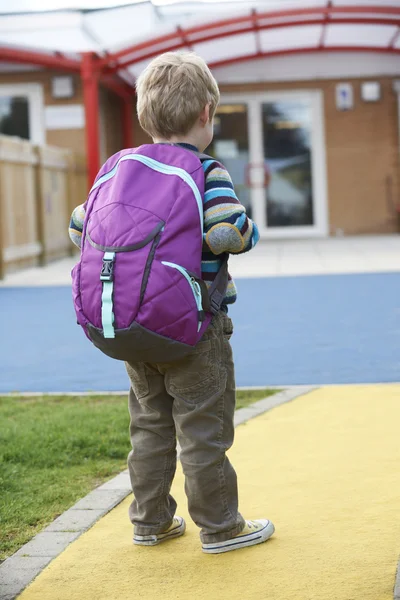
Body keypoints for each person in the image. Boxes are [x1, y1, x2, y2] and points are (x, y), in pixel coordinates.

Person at [69, 51, 274, 554]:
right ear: (207, 112)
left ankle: (151, 521)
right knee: (202, 431)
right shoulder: (207, 170)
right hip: (195, 328)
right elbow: (227, 230)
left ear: (145, 114)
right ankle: (221, 527)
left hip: (134, 325)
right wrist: (246, 230)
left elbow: (79, 226)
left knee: (150, 426)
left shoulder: (117, 168)